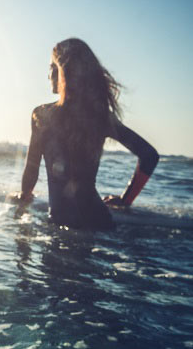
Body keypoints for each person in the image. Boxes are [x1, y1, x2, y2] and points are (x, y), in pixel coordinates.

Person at [16, 38, 159, 230]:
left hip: (62, 222)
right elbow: (149, 156)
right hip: (97, 223)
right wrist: (125, 200)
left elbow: (32, 169)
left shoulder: (42, 116)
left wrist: (24, 197)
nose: (48, 74)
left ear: (63, 71)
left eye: (52, 67)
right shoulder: (100, 118)